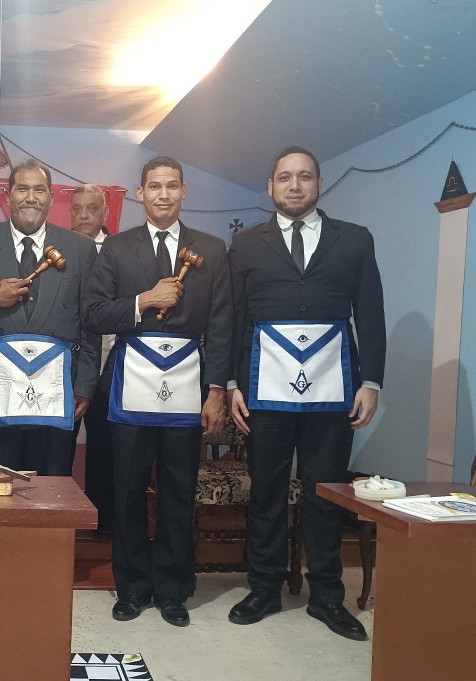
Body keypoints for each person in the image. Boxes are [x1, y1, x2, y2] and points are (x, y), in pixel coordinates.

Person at [227, 146, 385, 641]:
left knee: (326, 494)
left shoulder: (355, 239)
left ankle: (327, 597)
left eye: (304, 177)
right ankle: (264, 588)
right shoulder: (245, 245)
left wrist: (371, 381)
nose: (294, 186)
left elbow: (370, 312)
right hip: (263, 391)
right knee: (266, 494)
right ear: (270, 186)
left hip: (335, 391)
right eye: (284, 177)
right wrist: (231, 383)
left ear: (319, 183)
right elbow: (235, 318)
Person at [84, 156, 232, 627]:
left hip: (188, 383)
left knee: (178, 488)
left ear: (184, 191)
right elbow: (93, 313)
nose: (163, 194)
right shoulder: (116, 248)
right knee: (126, 488)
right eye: (154, 186)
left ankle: (172, 588)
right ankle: (131, 586)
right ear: (140, 193)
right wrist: (144, 300)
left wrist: (216, 391)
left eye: (171, 186)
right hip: (130, 383)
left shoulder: (211, 249)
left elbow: (222, 323)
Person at [0, 159, 99, 475]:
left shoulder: (81, 248)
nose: (31, 197)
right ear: (8, 196)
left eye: (39, 190)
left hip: (58, 393)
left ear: (52, 198)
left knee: (51, 486)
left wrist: (84, 386)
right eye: (22, 189)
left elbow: (90, 322)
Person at [70, 183, 115, 533]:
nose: (83, 216)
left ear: (105, 212)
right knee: (60, 448)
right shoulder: (57, 248)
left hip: (112, 365)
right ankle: (61, 520)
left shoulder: (122, 250)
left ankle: (102, 522)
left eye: (92, 208)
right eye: (77, 209)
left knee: (105, 448)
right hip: (66, 368)